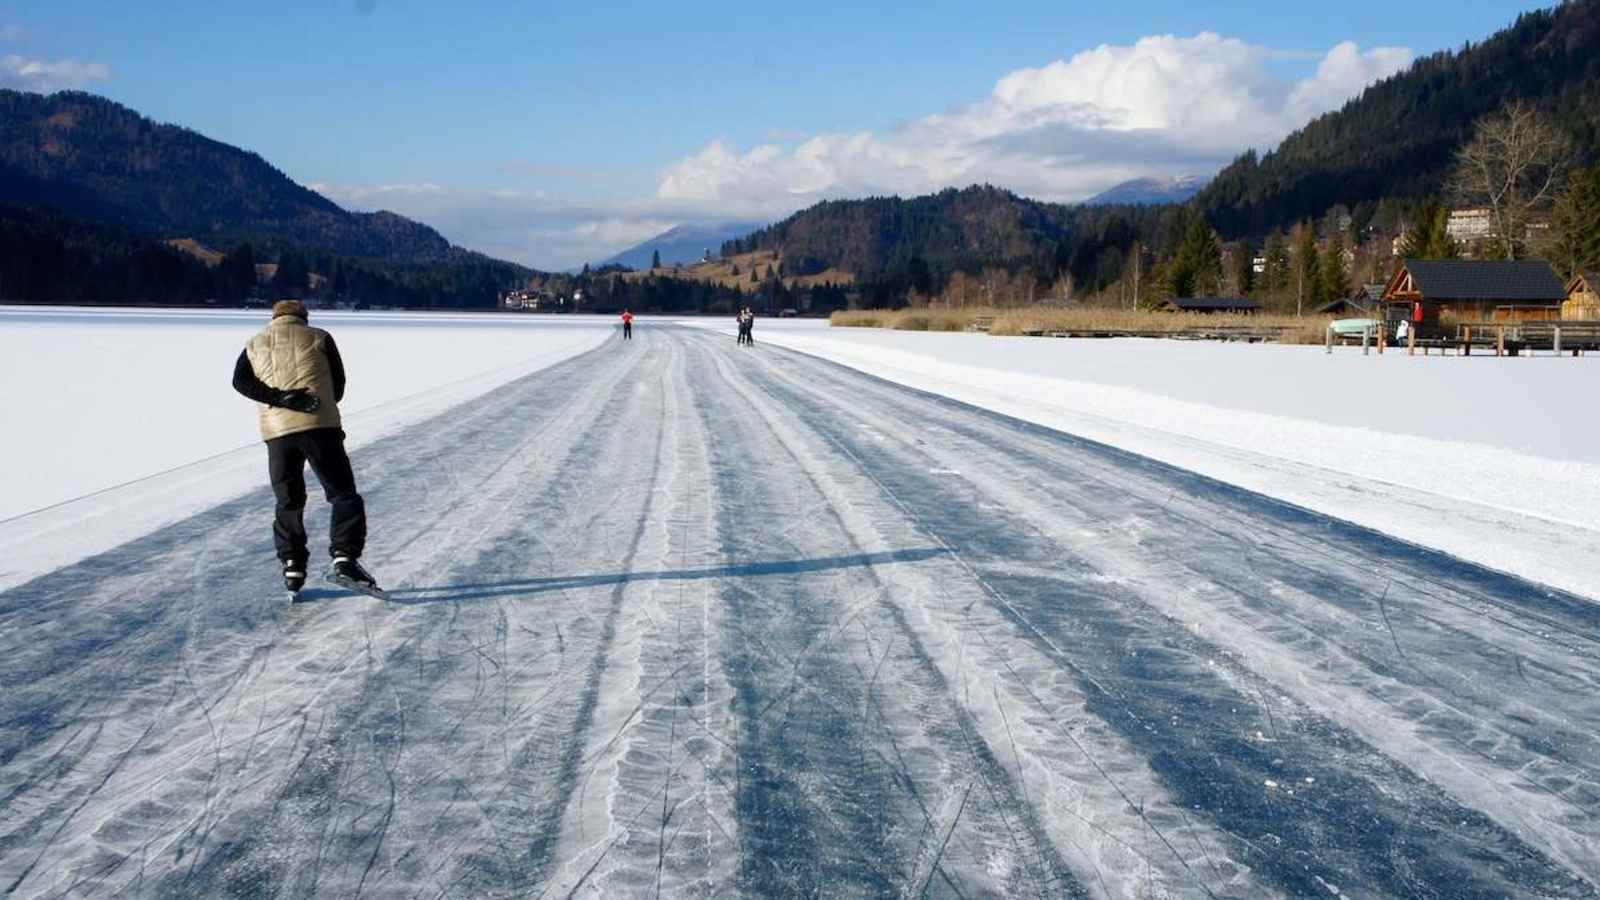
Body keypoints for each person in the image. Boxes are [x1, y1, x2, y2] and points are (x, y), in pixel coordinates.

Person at [231, 299, 380, 597]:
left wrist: (278, 398)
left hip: (278, 434)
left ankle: (292, 566)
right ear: (303, 317)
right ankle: (344, 557)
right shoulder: (320, 337)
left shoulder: (254, 343)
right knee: (343, 494)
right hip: (321, 428)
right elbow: (337, 384)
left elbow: (239, 382)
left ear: (274, 318)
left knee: (289, 501)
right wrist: (321, 404)